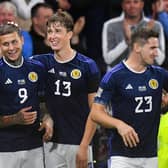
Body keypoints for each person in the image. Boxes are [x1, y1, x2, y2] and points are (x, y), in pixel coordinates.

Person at [77, 27, 168, 168]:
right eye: (152, 48)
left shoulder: (160, 75)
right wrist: (119, 124)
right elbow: (95, 113)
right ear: (137, 47)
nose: (157, 53)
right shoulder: (114, 76)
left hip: (151, 156)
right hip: (122, 157)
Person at [32, 10, 100, 168]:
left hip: (79, 143)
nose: (52, 36)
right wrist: (46, 116)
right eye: (49, 31)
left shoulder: (87, 66)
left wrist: (84, 146)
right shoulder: (41, 63)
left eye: (57, 31)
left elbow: (95, 112)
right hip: (51, 144)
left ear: (70, 34)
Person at [0, 22, 53, 168]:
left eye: (14, 42)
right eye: (5, 44)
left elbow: (44, 102)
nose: (11, 48)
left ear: (22, 40)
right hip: (5, 149)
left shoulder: (37, 68)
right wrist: (14, 119)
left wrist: (48, 118)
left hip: (34, 145)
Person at [102, 0, 165, 71]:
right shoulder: (110, 25)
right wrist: (126, 42)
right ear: (123, 5)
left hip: (147, 77)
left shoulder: (156, 26)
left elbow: (160, 60)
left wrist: (146, 36)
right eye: (128, 2)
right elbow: (108, 60)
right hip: (118, 77)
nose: (132, 6)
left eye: (136, 2)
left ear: (142, 4)